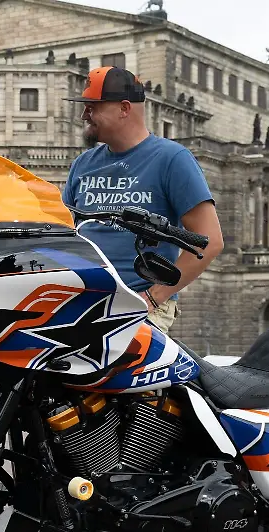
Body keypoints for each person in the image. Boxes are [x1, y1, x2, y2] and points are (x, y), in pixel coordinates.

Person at [63, 66, 224, 335]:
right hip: (83, 302)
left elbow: (211, 242)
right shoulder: (82, 164)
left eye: (92, 107)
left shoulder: (172, 159)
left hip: (140, 306)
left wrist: (153, 297)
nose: (83, 115)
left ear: (124, 108)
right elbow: (64, 231)